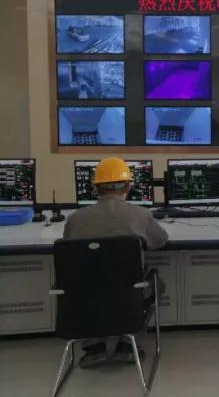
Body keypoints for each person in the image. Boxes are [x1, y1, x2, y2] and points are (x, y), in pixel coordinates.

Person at [63, 157, 168, 367]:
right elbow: (160, 241)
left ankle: (94, 347)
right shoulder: (140, 215)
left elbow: (68, 249)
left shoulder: (75, 219)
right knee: (157, 284)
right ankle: (127, 344)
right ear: (128, 186)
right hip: (128, 292)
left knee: (88, 286)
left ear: (95, 188)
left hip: (86, 295)